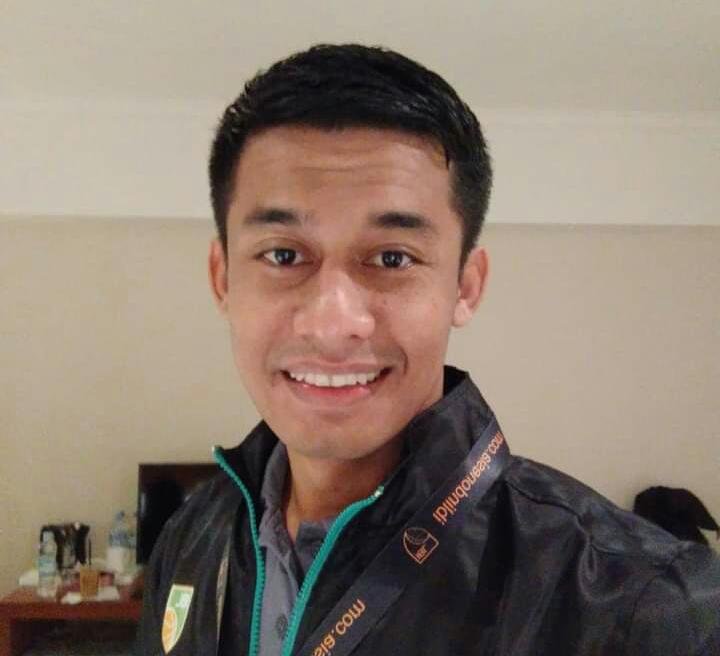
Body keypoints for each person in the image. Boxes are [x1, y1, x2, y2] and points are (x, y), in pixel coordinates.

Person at [136, 44, 720, 656]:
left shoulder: (647, 610)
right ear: (223, 279)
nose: (332, 323)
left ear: (465, 287)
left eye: (392, 258)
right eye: (283, 255)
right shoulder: (190, 539)